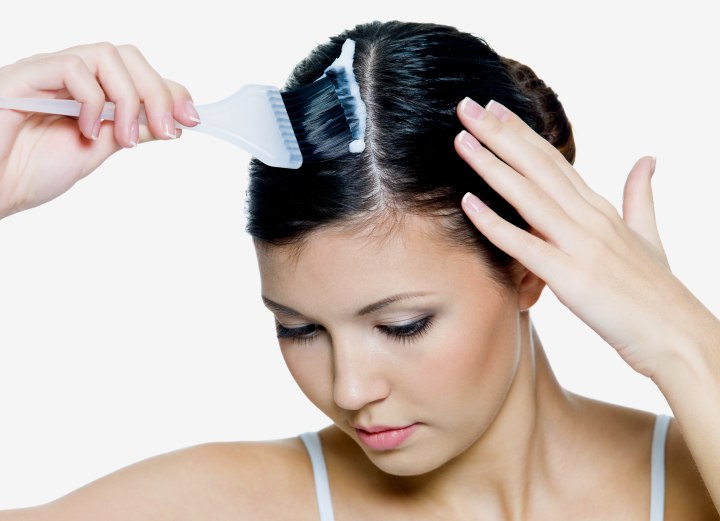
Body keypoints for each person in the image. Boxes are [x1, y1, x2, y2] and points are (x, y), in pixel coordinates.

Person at [1, 20, 718, 520]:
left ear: (528, 267)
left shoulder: (691, 481)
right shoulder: (235, 505)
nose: (349, 388)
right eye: (298, 327)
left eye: (402, 325)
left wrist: (683, 340)